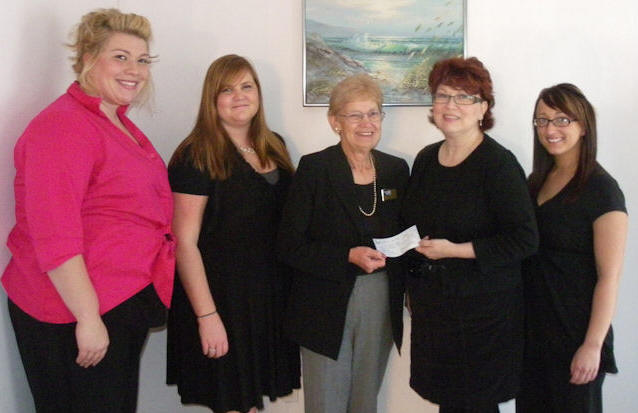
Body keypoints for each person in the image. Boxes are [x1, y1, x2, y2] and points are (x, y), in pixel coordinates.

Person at [1, 9, 174, 413]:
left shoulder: (114, 121)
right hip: (70, 311)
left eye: (142, 60)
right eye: (120, 57)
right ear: (87, 59)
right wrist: (88, 318)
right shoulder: (62, 127)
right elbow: (55, 234)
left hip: (116, 300)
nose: (134, 70)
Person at [401, 57, 538, 413]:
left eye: (464, 97)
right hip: (435, 310)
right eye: (443, 95)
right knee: (449, 404)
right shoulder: (426, 159)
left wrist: (454, 250)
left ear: (483, 109)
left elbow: (524, 239)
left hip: (483, 315)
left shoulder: (498, 164)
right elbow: (413, 226)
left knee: (475, 404)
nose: (451, 106)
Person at [165, 54, 300, 413]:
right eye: (227, 89)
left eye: (246, 86)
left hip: (267, 299)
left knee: (250, 402)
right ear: (212, 99)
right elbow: (184, 243)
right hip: (220, 299)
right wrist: (207, 316)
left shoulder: (275, 145)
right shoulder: (196, 155)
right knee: (234, 402)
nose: (239, 96)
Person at [277, 74, 409, 413]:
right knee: (326, 403)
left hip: (380, 297)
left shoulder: (396, 170)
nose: (367, 123)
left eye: (373, 113)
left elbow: (406, 232)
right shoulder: (315, 168)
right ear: (335, 121)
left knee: (365, 401)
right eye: (355, 115)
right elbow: (289, 245)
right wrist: (346, 256)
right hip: (323, 303)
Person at [516, 84, 628, 413]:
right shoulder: (535, 182)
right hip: (533, 335)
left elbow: (609, 277)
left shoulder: (602, 190)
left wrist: (592, 345)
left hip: (576, 335)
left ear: (583, 126)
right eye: (542, 120)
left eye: (562, 119)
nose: (550, 129)